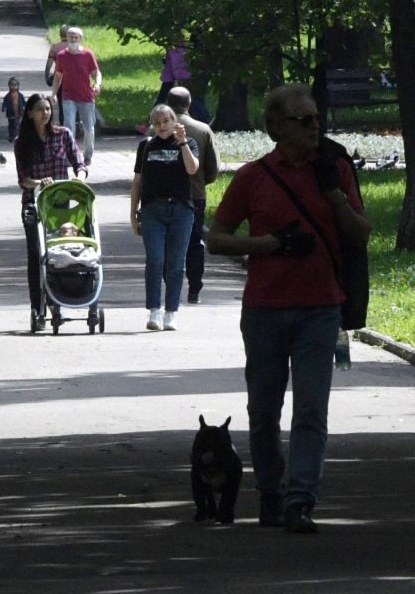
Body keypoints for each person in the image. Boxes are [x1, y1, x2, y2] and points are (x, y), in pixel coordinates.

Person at [206, 83, 370, 533]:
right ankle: (271, 493)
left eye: (317, 118)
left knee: (312, 410)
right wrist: (266, 245)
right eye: (303, 120)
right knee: (263, 412)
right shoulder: (254, 177)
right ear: (276, 126)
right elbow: (214, 236)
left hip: (322, 309)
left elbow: (360, 234)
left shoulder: (335, 169)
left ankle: (301, 500)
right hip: (265, 310)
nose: (315, 126)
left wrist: (333, 192)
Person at [14, 94, 87, 325]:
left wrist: (80, 177)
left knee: (60, 252)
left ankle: (59, 300)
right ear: (30, 113)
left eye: (47, 109)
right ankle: (38, 308)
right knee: (36, 255)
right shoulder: (21, 142)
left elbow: (79, 163)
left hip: (61, 204)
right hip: (34, 204)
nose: (44, 113)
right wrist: (40, 182)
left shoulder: (63, 134)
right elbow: (23, 180)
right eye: (39, 109)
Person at [130, 104, 200, 332]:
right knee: (155, 260)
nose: (161, 126)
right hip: (152, 210)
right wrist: (133, 214)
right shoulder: (146, 146)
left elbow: (192, 169)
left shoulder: (188, 143)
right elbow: (138, 181)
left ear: (174, 121)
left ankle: (171, 312)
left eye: (165, 122)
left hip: (181, 210)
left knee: (176, 263)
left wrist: (181, 142)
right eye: (157, 122)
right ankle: (154, 311)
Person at [166, 86, 219, 304]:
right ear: (189, 104)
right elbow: (213, 169)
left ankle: (171, 287)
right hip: (195, 195)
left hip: (166, 195)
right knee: (194, 241)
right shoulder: (204, 129)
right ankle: (194, 288)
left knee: (169, 242)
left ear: (168, 104)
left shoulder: (158, 129)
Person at [51, 26, 102, 165]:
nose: (73, 39)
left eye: (76, 37)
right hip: (68, 97)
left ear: (81, 39)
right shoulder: (62, 56)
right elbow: (58, 76)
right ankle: (70, 156)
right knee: (68, 127)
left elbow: (96, 73)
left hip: (86, 97)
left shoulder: (87, 54)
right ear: (66, 38)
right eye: (71, 37)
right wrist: (54, 94)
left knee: (89, 127)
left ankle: (88, 156)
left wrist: (97, 84)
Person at [45, 24, 70, 126]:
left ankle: (63, 124)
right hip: (73, 78)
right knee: (75, 100)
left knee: (61, 103)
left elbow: (49, 65)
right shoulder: (74, 47)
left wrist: (46, 77)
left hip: (59, 78)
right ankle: (76, 123)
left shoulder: (55, 47)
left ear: (60, 34)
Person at [1, 77, 26, 142]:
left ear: (18, 86)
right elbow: (5, 102)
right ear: (9, 86)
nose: (14, 87)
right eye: (12, 85)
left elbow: (23, 102)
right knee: (11, 125)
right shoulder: (7, 96)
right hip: (11, 113)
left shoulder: (20, 95)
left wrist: (26, 107)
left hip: (19, 112)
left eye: (15, 85)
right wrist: (3, 107)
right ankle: (11, 135)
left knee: (17, 124)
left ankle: (16, 136)